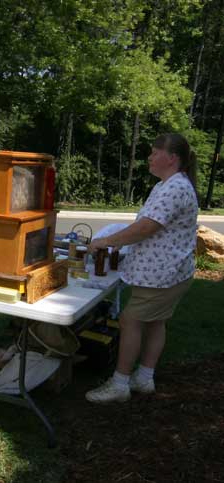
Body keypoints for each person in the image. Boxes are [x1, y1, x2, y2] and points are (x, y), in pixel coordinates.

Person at [85, 133, 198, 403]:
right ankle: (144, 378)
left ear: (171, 158)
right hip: (170, 272)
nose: (149, 156)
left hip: (163, 275)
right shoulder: (168, 184)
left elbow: (147, 227)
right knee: (156, 322)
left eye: (154, 152)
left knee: (130, 320)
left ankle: (120, 383)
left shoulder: (175, 188)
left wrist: (106, 242)